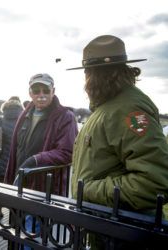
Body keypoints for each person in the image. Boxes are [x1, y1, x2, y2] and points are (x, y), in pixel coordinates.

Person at [68, 35, 168, 248]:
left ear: (97, 76)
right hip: (108, 227)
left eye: (87, 73)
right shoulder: (108, 107)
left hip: (124, 232)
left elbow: (155, 181)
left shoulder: (128, 110)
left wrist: (86, 191)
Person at [4, 73, 78, 249]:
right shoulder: (26, 114)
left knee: (31, 235)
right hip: (20, 184)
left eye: (46, 90)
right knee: (19, 233)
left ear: (53, 91)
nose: (41, 94)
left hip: (42, 188)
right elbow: (16, 149)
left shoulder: (65, 116)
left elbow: (67, 152)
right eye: (36, 90)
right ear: (30, 92)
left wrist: (36, 160)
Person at [0, 96, 24, 179]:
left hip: (2, 161)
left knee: (3, 186)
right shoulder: (24, 119)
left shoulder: (1, 121)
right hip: (18, 161)